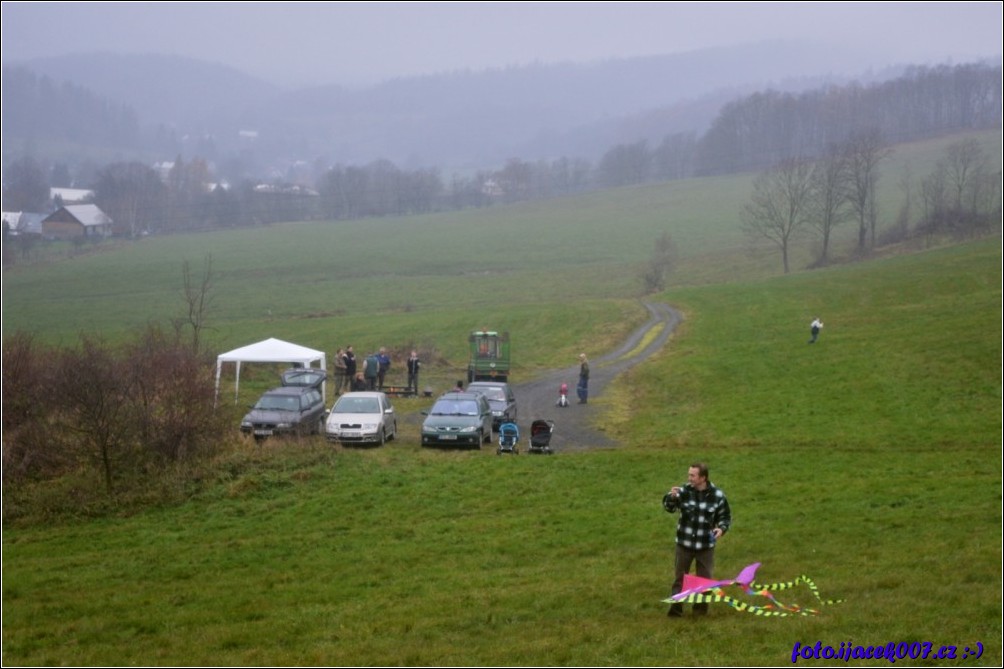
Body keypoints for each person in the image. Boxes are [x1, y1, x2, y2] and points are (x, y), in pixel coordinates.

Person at [663, 462, 732, 618]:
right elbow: (669, 507)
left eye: (692, 475)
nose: (689, 478)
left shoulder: (718, 495)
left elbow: (725, 517)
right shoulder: (684, 491)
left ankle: (700, 612)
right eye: (689, 475)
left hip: (705, 547)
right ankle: (675, 610)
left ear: (703, 478)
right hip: (684, 544)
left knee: (705, 581)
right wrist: (671, 497)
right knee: (680, 578)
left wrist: (721, 528)